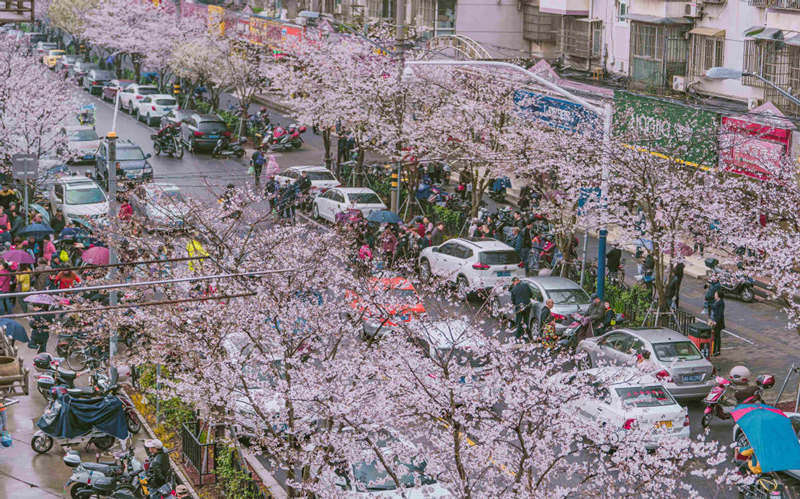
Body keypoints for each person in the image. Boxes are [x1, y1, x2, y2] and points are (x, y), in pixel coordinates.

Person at [710, 289, 725, 356]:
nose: (714, 295)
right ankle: (713, 349)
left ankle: (717, 350)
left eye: (716, 294)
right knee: (714, 336)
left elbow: (720, 314)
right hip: (714, 320)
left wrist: (716, 321)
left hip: (717, 322)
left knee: (717, 337)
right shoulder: (716, 301)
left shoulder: (721, 303)